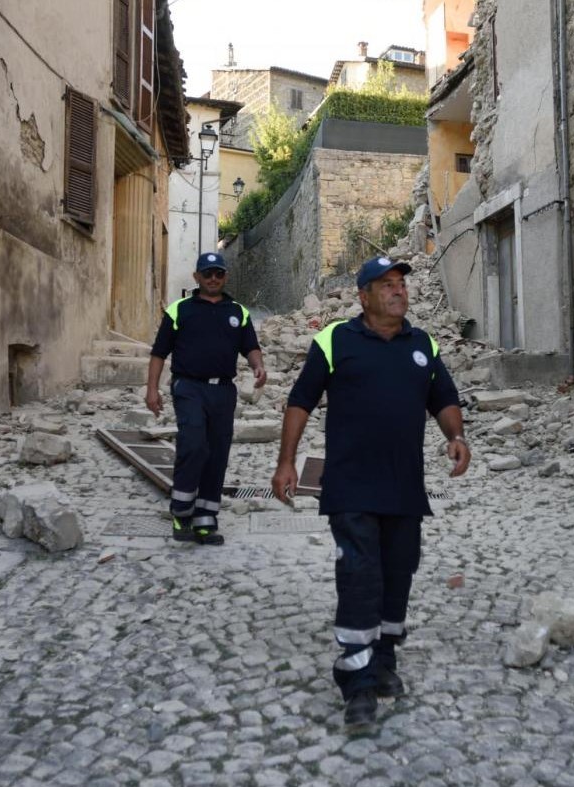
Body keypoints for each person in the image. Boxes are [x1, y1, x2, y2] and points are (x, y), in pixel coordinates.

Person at [271, 256, 471, 730]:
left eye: (401, 283)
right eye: (386, 284)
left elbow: (442, 397)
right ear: (363, 296)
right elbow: (300, 401)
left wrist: (455, 437)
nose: (398, 291)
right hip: (351, 485)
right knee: (360, 574)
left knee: (398, 572)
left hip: (404, 487)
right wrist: (285, 462)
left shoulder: (423, 343)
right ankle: (356, 682)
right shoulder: (335, 340)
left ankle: (383, 660)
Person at [146, 252, 265, 545]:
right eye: (208, 273)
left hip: (223, 391)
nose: (213, 278)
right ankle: (181, 512)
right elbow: (159, 352)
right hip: (189, 388)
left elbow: (250, 346)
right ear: (197, 277)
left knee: (217, 453)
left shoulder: (239, 311)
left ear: (225, 277)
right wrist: (152, 389)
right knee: (194, 444)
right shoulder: (179, 311)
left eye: (219, 273)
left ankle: (205, 520)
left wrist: (257, 365)